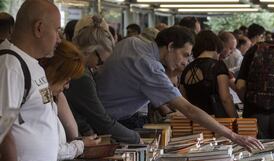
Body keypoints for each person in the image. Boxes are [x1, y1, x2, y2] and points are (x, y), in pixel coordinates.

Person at [95, 26, 263, 150]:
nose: (185, 61)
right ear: (170, 46)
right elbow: (189, 109)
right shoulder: (150, 67)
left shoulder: (132, 43)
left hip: (98, 112)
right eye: (184, 54)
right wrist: (234, 136)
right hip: (107, 122)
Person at [0, 0, 62, 161]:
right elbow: (3, 133)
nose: (59, 39)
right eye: (57, 30)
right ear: (39, 28)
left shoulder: (32, 64)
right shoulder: (10, 65)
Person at [65, 15, 141, 144]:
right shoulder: (81, 75)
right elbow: (102, 120)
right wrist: (135, 138)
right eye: (100, 61)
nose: (99, 67)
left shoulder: (79, 69)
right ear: (88, 51)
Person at [41, 40, 100, 161]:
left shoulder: (49, 96)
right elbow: (51, 150)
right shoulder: (42, 95)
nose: (67, 86)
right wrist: (80, 145)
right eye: (66, 80)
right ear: (54, 73)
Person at [180, 30, 237, 118]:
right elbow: (225, 98)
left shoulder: (186, 69)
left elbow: (184, 99)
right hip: (217, 122)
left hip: (195, 122)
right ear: (216, 46)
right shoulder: (218, 66)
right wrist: (236, 119)